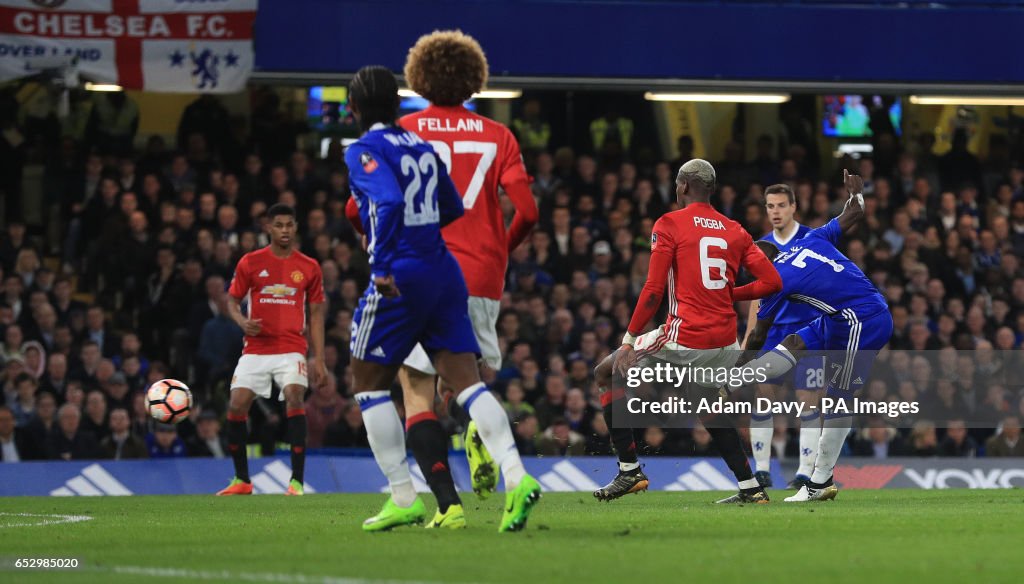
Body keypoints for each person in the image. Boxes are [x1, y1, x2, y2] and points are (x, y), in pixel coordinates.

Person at [343, 30, 539, 504]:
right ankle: (486, 440)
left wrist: (377, 245)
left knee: (415, 392)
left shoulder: (405, 132)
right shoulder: (500, 135)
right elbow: (528, 212)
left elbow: (361, 208)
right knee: (468, 379)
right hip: (481, 274)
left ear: (419, 77)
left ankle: (438, 504)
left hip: (419, 266)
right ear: (475, 80)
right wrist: (500, 251)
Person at [593, 159, 782, 504]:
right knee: (706, 403)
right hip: (726, 342)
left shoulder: (669, 223)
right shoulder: (734, 229)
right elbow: (772, 281)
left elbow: (652, 290)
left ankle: (628, 470)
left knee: (606, 373)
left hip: (685, 337)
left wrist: (629, 341)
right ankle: (750, 488)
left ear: (682, 186)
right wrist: (731, 293)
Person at [737, 171, 892, 502]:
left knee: (837, 397)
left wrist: (738, 368)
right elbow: (853, 214)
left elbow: (757, 335)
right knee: (795, 342)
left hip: (862, 320)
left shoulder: (777, 281)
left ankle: (820, 482)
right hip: (836, 317)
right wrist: (856, 194)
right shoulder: (809, 239)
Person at [216, 203, 327, 496]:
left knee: (294, 394)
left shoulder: (309, 266)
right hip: (255, 348)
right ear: (268, 228)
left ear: (296, 227)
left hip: (292, 346)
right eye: (279, 225)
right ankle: (242, 480)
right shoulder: (250, 262)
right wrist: (241, 320)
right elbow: (231, 300)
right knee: (237, 404)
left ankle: (297, 482)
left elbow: (316, 314)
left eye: (290, 225)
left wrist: (319, 358)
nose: (285, 230)